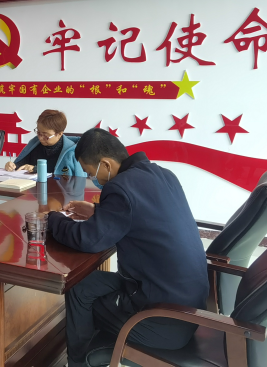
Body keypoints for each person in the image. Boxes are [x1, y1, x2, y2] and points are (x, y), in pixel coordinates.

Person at [47, 128, 209, 367]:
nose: (93, 178)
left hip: (162, 319)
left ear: (106, 164)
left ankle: (79, 363)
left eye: (91, 173)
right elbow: (143, 214)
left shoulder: (120, 187)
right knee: (80, 287)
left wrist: (53, 219)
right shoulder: (163, 174)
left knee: (83, 304)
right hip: (185, 304)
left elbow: (88, 240)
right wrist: (98, 211)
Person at [5, 109, 85, 177]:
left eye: (46, 135)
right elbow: (21, 164)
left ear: (59, 134)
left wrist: (37, 169)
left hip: (58, 190)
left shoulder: (72, 153)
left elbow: (68, 179)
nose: (40, 138)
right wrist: (13, 166)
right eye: (39, 133)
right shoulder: (35, 144)